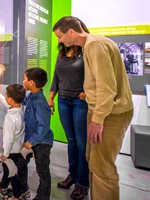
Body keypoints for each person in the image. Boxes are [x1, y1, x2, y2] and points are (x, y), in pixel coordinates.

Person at [53, 16, 134, 200]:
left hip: (110, 114)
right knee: (94, 161)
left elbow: (106, 88)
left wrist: (97, 120)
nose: (60, 41)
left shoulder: (94, 46)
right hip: (105, 110)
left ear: (71, 32)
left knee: (102, 168)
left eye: (60, 36)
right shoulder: (94, 43)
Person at [49, 43, 89, 200]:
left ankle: (82, 182)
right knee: (71, 142)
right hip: (63, 101)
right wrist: (51, 97)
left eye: (61, 34)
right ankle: (72, 175)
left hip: (80, 101)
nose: (60, 38)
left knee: (81, 144)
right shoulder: (61, 54)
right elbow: (56, 77)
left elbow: (93, 76)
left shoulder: (85, 53)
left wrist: (87, 92)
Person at [20, 67, 54, 200]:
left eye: (25, 79)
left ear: (31, 83)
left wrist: (32, 142)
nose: (23, 81)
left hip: (41, 143)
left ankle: (42, 197)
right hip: (31, 140)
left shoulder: (39, 102)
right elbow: (22, 101)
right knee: (21, 163)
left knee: (43, 172)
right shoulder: (31, 97)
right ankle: (23, 189)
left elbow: (44, 127)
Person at [0, 84, 26, 200]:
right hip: (18, 149)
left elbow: (9, 139)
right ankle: (3, 186)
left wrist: (5, 154)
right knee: (8, 169)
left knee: (11, 173)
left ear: (10, 99)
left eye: (5, 95)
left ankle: (17, 195)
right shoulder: (20, 109)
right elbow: (7, 105)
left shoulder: (10, 119)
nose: (5, 97)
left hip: (10, 151)